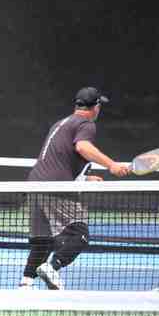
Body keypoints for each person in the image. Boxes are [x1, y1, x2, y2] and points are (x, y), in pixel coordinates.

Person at [19, 87, 131, 290]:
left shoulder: (60, 123)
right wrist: (112, 165)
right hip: (55, 187)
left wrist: (84, 179)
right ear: (96, 107)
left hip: (34, 185)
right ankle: (52, 267)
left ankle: (25, 285)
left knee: (43, 241)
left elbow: (57, 160)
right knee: (80, 234)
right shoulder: (86, 124)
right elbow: (82, 147)